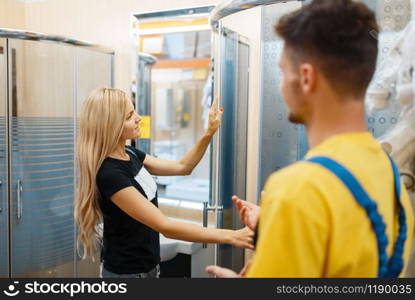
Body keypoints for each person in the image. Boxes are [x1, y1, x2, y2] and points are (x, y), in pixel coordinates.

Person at [206, 0, 414, 278]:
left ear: (306, 78)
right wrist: (279, 226)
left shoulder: (298, 189)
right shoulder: (391, 175)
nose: (281, 85)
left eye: (282, 71)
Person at [75, 87, 253, 278]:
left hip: (149, 267)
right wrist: (233, 236)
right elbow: (165, 227)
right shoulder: (110, 173)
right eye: (129, 116)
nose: (138, 118)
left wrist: (209, 132)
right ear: (111, 125)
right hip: (127, 273)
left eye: (133, 110)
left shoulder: (131, 154)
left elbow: (183, 167)